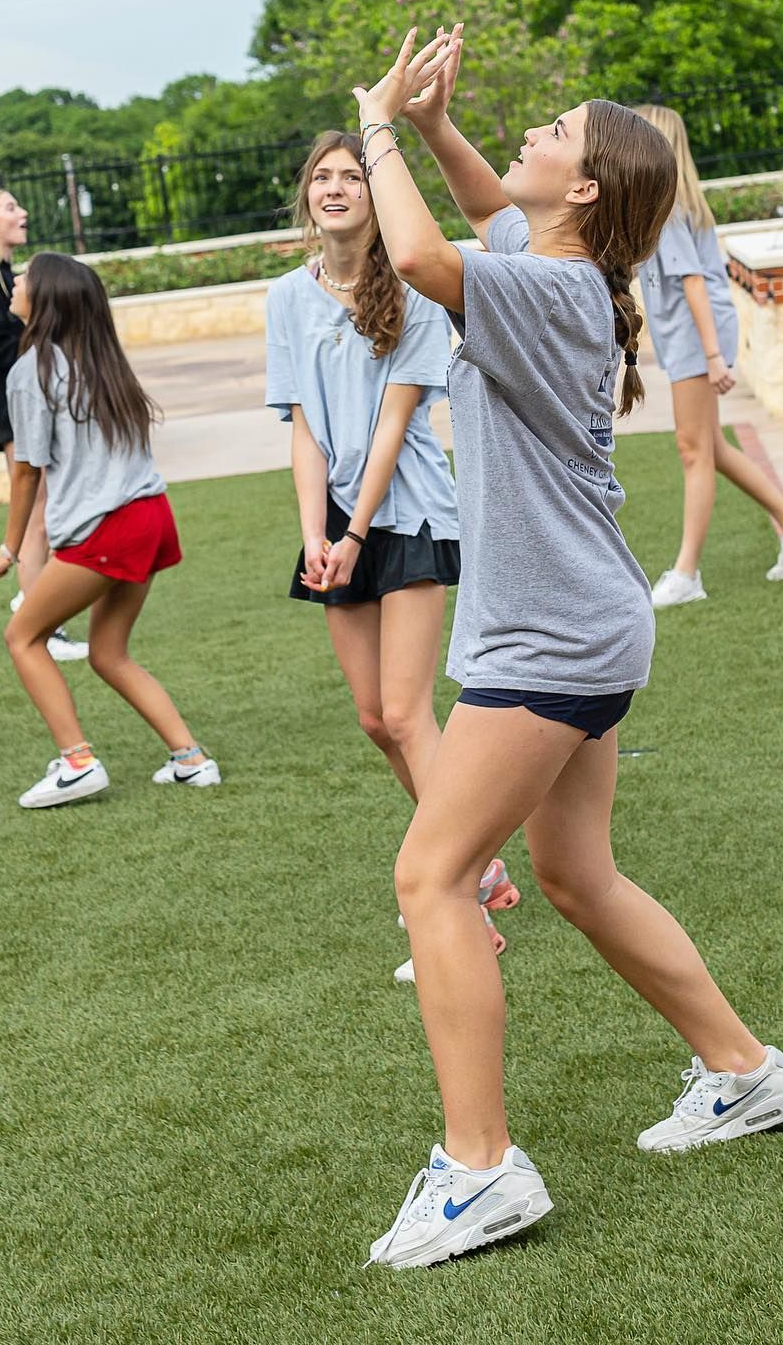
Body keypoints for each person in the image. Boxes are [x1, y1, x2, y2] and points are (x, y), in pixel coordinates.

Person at [349, 25, 783, 1271]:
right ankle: (745, 1071)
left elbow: (425, 252)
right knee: (578, 879)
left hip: (549, 639)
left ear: (590, 189)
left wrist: (379, 121)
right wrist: (440, 126)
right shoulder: (553, 262)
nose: (532, 136)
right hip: (588, 627)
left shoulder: (543, 288)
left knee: (432, 878)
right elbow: (489, 212)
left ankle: (479, 1172)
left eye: (555, 133)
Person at [265, 132, 516, 986]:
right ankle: (474, 866)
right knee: (374, 719)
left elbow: (392, 425)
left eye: (353, 178)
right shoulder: (285, 298)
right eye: (323, 178)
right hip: (334, 521)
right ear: (306, 196)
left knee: (408, 714)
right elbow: (302, 427)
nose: (336, 189)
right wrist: (314, 533)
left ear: (375, 197)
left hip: (404, 514)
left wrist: (354, 532)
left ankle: (459, 891)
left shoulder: (407, 287)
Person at [0, 251, 219, 807]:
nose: (15, 282)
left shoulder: (32, 369)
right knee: (108, 652)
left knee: (23, 636)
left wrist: (8, 547)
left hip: (109, 527)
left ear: (48, 300)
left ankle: (77, 762)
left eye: (25, 278)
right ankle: (190, 760)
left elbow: (25, 472)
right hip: (152, 515)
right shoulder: (100, 360)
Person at [634, 104, 783, 606]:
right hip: (690, 334)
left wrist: (713, 356)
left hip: (697, 334)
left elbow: (692, 282)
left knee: (693, 450)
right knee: (711, 445)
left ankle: (686, 574)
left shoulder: (667, 209)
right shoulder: (666, 204)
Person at [0, 188, 87, 664]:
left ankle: (35, 606)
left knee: (40, 506)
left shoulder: (0, 275)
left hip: (12, 406)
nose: (21, 213)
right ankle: (41, 622)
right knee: (34, 507)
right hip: (7, 409)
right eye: (10, 208)